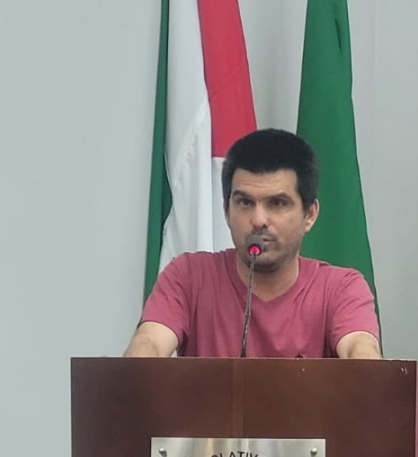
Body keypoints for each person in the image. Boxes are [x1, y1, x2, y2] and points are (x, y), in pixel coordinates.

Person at [125, 128, 382, 360]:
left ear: (310, 215)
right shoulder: (188, 276)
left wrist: (365, 363)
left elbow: (360, 349)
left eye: (277, 203)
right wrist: (137, 369)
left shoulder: (341, 288)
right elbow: (150, 343)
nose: (258, 220)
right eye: (245, 203)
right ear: (227, 211)